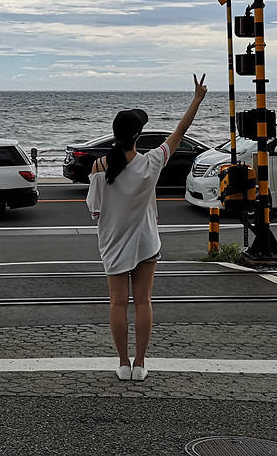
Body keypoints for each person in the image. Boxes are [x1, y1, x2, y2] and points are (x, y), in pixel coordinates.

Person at [86, 74, 208, 382]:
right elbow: (179, 133)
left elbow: (94, 211)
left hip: (113, 244)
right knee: (143, 302)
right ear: (138, 136)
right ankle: (140, 364)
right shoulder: (152, 162)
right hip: (145, 243)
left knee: (117, 303)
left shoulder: (100, 167)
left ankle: (123, 363)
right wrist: (196, 99)